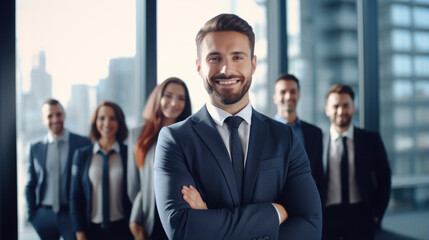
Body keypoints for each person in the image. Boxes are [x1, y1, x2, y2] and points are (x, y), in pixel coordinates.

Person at [154, 13, 322, 240]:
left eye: (237, 57)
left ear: (253, 64)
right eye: (214, 58)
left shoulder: (284, 137)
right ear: (198, 67)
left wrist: (210, 222)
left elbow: (310, 226)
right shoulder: (174, 140)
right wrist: (272, 213)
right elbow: (182, 229)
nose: (226, 69)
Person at [318, 84, 391, 240]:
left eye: (346, 105)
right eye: (335, 106)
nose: (341, 111)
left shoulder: (371, 140)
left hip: (362, 215)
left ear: (353, 107)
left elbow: (384, 177)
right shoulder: (318, 142)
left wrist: (377, 214)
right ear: (327, 110)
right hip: (327, 216)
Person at [127, 77, 192, 240]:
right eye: (168, 95)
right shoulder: (138, 135)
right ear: (159, 98)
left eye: (181, 98)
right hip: (150, 216)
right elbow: (135, 186)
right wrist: (135, 219)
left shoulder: (191, 136)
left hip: (183, 214)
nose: (174, 102)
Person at [25, 98, 91, 240]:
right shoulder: (35, 148)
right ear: (43, 120)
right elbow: (30, 184)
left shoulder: (82, 143)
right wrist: (33, 215)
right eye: (50, 116)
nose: (55, 119)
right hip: (44, 215)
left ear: (64, 115)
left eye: (58, 114)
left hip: (71, 214)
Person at [70, 101, 133, 240]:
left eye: (112, 118)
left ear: (119, 122)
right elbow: (75, 197)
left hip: (123, 229)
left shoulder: (129, 154)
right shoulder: (82, 155)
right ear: (95, 122)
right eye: (102, 118)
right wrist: (79, 232)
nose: (107, 123)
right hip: (91, 229)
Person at [273, 73, 323, 186]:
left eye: (292, 91)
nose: (288, 96)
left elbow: (319, 175)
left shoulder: (315, 133)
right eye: (283, 92)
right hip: (275, 200)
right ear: (275, 97)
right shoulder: (264, 132)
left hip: (307, 199)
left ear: (299, 95)